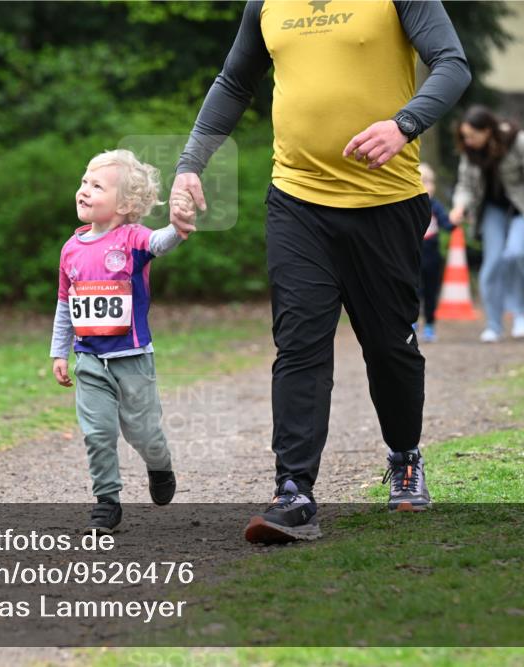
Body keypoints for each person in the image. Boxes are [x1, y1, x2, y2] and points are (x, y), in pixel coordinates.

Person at [169, 0, 471, 543]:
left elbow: (452, 63)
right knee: (300, 340)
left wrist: (405, 124)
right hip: (297, 201)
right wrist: (192, 163)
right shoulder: (264, 4)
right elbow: (234, 82)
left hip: (386, 201)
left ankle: (404, 456)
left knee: (388, 346)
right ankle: (294, 491)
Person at [50, 149, 184, 534]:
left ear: (125, 204)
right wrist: (59, 351)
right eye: (83, 182)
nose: (84, 190)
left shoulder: (132, 238)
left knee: (145, 433)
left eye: (96, 186)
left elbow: (160, 242)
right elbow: (64, 304)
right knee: (98, 433)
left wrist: (178, 225)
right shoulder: (71, 249)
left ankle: (159, 465)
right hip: (89, 360)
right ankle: (107, 501)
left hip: (133, 359)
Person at [449, 106, 524, 343]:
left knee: (515, 254)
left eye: (472, 135)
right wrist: (459, 206)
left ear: (487, 131)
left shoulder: (517, 140)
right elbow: (464, 184)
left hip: (521, 208)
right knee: (493, 263)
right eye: (465, 135)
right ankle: (494, 325)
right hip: (491, 210)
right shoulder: (470, 152)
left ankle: (520, 316)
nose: (468, 140)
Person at [417, 163, 454, 343]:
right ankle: (412, 322)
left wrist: (456, 220)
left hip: (432, 258)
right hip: (412, 258)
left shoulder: (436, 206)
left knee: (430, 292)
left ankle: (430, 325)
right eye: (424, 181)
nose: (429, 186)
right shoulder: (410, 207)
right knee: (412, 291)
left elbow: (447, 225)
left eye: (431, 182)